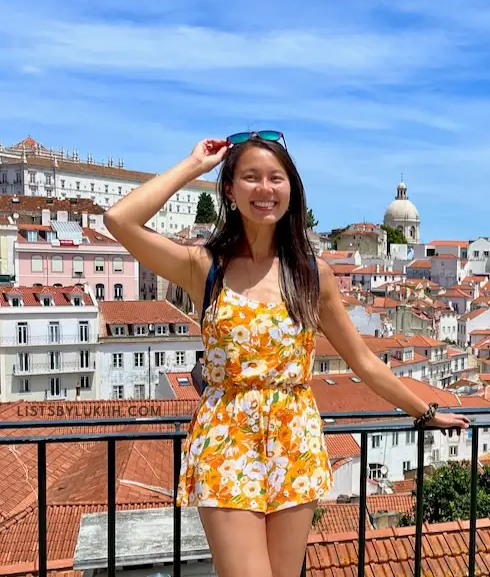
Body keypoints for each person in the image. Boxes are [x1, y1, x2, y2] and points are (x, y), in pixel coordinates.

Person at [103, 132, 469, 577]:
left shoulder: (313, 275)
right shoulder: (205, 266)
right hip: (226, 437)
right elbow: (120, 220)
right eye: (251, 177)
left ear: (291, 190)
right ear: (230, 190)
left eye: (276, 178)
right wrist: (194, 166)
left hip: (293, 436)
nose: (265, 189)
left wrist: (425, 412)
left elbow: (363, 360)